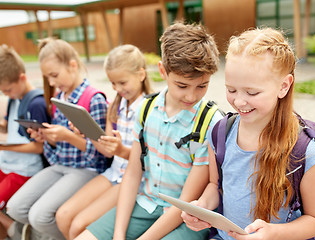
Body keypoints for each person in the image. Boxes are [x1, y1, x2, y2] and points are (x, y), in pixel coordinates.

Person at [74, 22, 222, 240]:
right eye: (182, 86)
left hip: (184, 219)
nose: (191, 96)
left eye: (202, 86)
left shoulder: (210, 121)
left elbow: (186, 199)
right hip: (144, 203)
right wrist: (118, 233)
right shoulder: (146, 108)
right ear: (163, 71)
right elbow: (133, 173)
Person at [181, 28, 315, 240]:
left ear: (284, 86)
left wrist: (273, 233)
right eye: (231, 90)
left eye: (252, 92)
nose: (239, 101)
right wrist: (202, 206)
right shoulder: (221, 132)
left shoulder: (305, 151)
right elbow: (216, 185)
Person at [6, 38, 108, 240]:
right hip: (60, 165)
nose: (51, 83)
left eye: (54, 75)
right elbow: (57, 151)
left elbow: (101, 156)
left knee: (40, 217)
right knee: (15, 208)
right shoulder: (60, 98)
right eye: (48, 77)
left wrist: (69, 137)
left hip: (87, 169)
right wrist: (47, 138)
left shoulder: (94, 99)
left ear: (72, 65)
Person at [55, 44, 153, 240]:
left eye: (122, 82)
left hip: (135, 179)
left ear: (141, 74)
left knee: (78, 226)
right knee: (63, 216)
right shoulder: (115, 106)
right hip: (114, 172)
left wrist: (121, 150)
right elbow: (107, 152)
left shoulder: (150, 109)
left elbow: (148, 160)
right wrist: (86, 133)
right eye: (113, 83)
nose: (117, 89)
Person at [0, 44, 50, 240]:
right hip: (7, 163)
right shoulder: (15, 98)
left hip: (24, 170)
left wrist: (3, 146)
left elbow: (39, 146)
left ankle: (14, 228)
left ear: (22, 78)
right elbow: (8, 126)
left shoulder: (36, 103)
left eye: (7, 89)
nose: (6, 94)